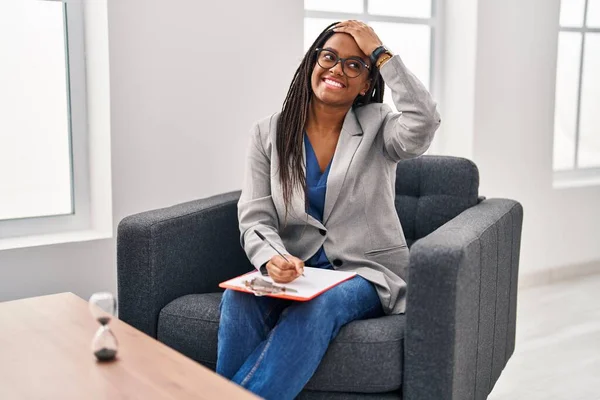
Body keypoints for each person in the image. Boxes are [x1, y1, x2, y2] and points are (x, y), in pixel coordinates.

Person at [216, 20, 441, 399]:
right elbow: (255, 216)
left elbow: (425, 120)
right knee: (237, 298)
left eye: (355, 65)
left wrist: (382, 54)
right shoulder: (267, 133)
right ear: (312, 63)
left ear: (367, 82)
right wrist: (272, 257)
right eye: (330, 57)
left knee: (318, 307)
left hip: (365, 272)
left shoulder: (380, 127)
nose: (338, 69)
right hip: (296, 270)